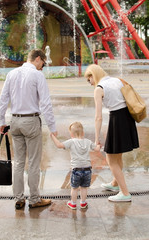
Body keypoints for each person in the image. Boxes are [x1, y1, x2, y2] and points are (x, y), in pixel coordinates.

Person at [0, 49, 57, 209]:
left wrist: (1, 121)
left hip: (15, 121)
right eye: (43, 63)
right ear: (38, 59)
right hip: (31, 121)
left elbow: (3, 99)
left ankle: (19, 198)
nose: (42, 67)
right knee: (33, 162)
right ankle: (35, 199)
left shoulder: (12, 74)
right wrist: (52, 126)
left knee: (18, 162)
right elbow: (45, 103)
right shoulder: (37, 76)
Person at [84, 64, 139, 202]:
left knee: (110, 158)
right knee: (117, 155)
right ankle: (115, 183)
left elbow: (98, 117)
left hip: (117, 119)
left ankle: (125, 193)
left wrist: (96, 138)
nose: (89, 83)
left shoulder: (99, 88)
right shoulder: (116, 80)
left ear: (93, 75)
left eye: (88, 79)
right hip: (127, 117)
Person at [51, 121, 97, 210]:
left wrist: (53, 136)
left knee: (74, 188)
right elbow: (97, 148)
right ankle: (83, 203)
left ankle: (73, 203)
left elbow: (59, 145)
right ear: (83, 133)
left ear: (71, 134)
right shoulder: (88, 142)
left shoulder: (71, 142)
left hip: (76, 170)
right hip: (87, 170)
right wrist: (96, 141)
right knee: (84, 188)